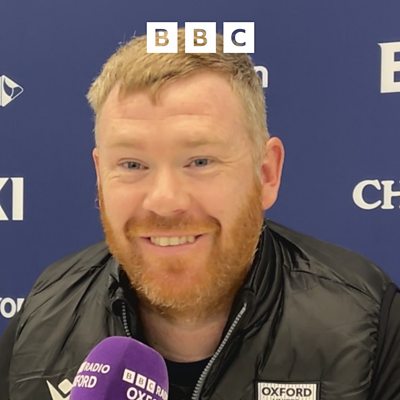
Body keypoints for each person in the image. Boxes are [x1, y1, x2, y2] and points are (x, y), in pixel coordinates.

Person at [0, 29, 399, 400]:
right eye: (132, 165)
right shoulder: (43, 317)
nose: (164, 201)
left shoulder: (367, 324)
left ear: (266, 173)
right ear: (100, 177)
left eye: (200, 161)